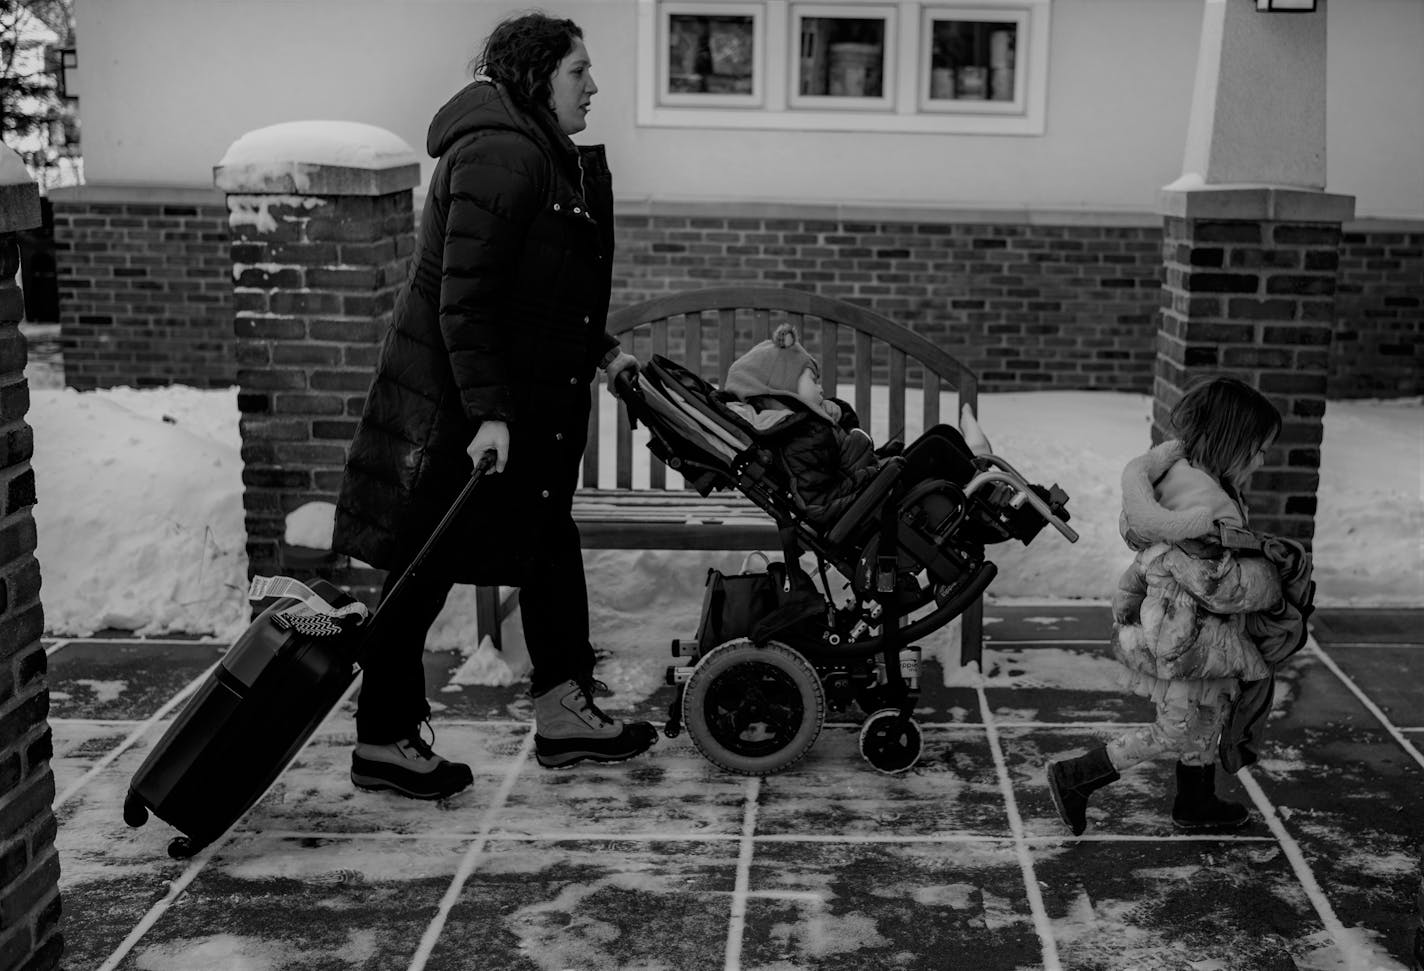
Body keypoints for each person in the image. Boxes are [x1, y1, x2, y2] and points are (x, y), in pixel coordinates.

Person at [332, 12, 657, 799]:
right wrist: (490, 415)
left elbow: (534, 296)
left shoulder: (530, 150)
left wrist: (600, 351)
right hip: (466, 412)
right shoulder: (502, 154)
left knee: (539, 541)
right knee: (427, 564)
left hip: (497, 407)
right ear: (536, 75)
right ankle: (385, 736)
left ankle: (560, 711)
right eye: (580, 71)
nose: (594, 86)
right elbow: (466, 302)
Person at [1045, 377, 1287, 836]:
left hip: (1206, 638)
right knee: (1176, 727)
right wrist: (1268, 581)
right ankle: (1078, 776)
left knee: (1209, 716)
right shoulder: (1201, 498)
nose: (1262, 459)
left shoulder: (1206, 484)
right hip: (1182, 638)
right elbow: (1215, 582)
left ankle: (1196, 801)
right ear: (1230, 442)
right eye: (1257, 448)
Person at [721, 322, 994, 527]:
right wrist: (877, 476)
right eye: (811, 380)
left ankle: (980, 476)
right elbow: (819, 504)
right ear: (783, 387)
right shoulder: (798, 435)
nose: (820, 387)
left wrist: (881, 461)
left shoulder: (808, 426)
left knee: (940, 434)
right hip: (865, 506)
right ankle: (989, 495)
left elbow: (842, 468)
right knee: (936, 449)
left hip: (868, 493)